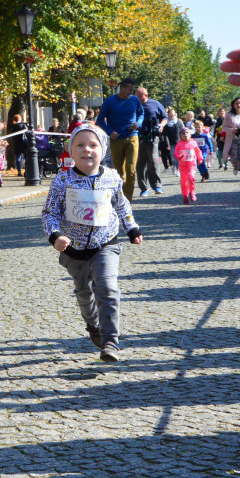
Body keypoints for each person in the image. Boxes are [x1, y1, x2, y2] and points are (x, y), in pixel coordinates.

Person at [41, 123, 143, 363]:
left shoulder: (112, 178)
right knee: (84, 294)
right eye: (80, 145)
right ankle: (93, 325)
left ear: (103, 149)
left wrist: (132, 228)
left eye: (93, 145)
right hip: (74, 249)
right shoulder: (61, 181)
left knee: (107, 289)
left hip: (105, 243)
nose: (87, 150)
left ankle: (111, 342)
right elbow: (50, 213)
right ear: (70, 150)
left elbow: (121, 206)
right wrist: (55, 236)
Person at [96, 78, 144, 201]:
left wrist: (138, 124)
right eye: (129, 90)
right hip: (116, 139)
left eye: (132, 90)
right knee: (119, 172)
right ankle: (120, 197)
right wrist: (110, 132)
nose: (131, 93)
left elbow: (141, 114)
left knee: (131, 169)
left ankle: (128, 200)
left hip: (132, 136)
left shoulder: (134, 100)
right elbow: (100, 120)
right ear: (122, 88)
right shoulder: (110, 101)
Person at [134, 87, 166, 197]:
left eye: (140, 97)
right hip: (138, 136)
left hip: (152, 135)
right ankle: (143, 188)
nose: (138, 99)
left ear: (146, 96)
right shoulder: (133, 105)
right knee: (140, 162)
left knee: (152, 158)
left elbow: (164, 118)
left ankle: (157, 185)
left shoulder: (155, 104)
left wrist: (161, 125)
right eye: (136, 97)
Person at [174, 127, 203, 204]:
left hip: (191, 165)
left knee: (191, 178)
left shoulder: (193, 142)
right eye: (183, 133)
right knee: (184, 182)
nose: (185, 135)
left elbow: (198, 151)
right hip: (183, 166)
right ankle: (185, 196)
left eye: (187, 133)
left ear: (190, 134)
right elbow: (176, 153)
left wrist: (200, 158)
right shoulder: (179, 144)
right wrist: (179, 157)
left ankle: (192, 192)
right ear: (180, 135)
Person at [160, 107, 182, 174]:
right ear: (168, 115)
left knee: (178, 156)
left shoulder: (178, 121)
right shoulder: (166, 123)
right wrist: (167, 144)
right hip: (171, 142)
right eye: (170, 116)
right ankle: (174, 166)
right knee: (173, 156)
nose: (172, 117)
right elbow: (165, 135)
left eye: (173, 115)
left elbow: (183, 130)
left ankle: (178, 169)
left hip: (178, 141)